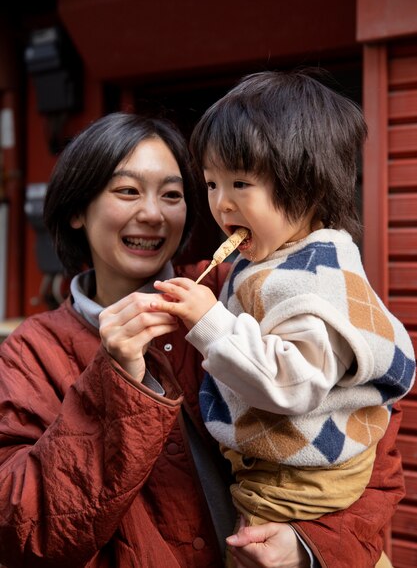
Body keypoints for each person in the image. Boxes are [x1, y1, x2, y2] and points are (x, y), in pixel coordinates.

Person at [0, 111, 407, 568]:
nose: (153, 214)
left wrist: (309, 546)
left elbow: (370, 443)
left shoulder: (242, 290)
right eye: (128, 191)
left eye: (172, 195)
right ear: (77, 208)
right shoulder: (31, 351)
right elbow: (24, 528)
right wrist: (113, 379)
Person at [149, 72, 415, 550]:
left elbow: (294, 382)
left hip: (297, 482)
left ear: (308, 188)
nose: (220, 202)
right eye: (211, 183)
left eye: (241, 182)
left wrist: (210, 323)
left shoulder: (312, 282)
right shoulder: (275, 262)